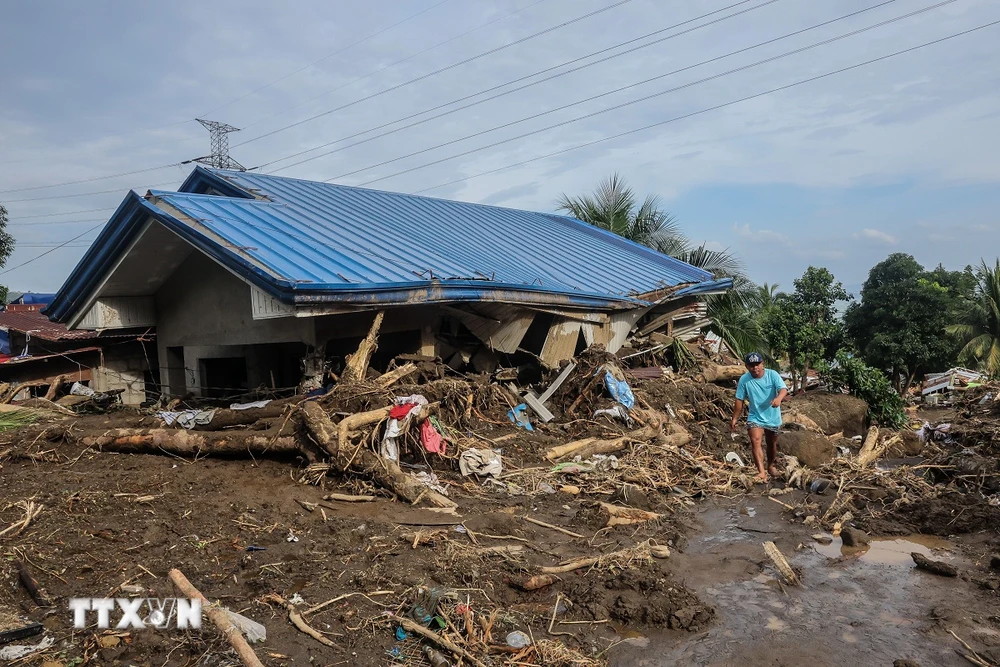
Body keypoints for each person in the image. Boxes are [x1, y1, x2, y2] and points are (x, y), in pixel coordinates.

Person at [730, 352, 788, 482]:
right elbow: (739, 399)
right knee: (755, 441)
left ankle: (770, 466)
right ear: (746, 366)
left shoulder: (772, 375)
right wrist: (735, 418)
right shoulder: (744, 380)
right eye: (751, 365)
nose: (755, 368)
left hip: (773, 417)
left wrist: (778, 399)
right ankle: (761, 472)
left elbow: (783, 389)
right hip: (755, 416)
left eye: (757, 364)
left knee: (771, 443)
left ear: (762, 364)